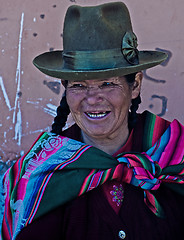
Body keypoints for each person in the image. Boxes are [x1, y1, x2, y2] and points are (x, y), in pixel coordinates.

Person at [1, 2, 184, 240]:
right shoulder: (42, 173)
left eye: (108, 83)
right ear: (65, 90)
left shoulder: (172, 151)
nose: (92, 99)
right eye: (79, 86)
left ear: (135, 85)